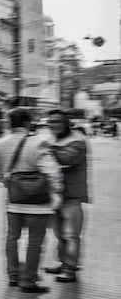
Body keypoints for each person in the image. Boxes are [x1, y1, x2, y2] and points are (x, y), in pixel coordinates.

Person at [0, 108, 63, 293]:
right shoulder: (40, 142)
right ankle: (29, 280)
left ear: (10, 123)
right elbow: (52, 171)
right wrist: (57, 191)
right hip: (38, 203)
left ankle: (13, 275)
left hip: (13, 201)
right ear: (27, 123)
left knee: (12, 237)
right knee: (35, 241)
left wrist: (11, 181)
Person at [44, 109, 89, 283]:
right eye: (50, 122)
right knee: (60, 233)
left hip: (72, 196)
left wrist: (47, 148)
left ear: (66, 123)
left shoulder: (78, 140)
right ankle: (64, 263)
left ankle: (70, 268)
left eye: (56, 122)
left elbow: (67, 159)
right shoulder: (53, 140)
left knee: (71, 234)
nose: (52, 125)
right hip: (56, 195)